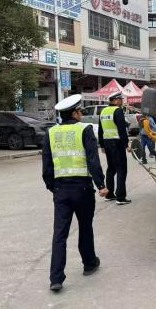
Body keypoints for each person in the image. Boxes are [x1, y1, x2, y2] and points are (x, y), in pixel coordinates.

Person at [42, 94, 108, 292]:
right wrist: (101, 185)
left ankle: (56, 278)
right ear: (74, 113)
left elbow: (47, 165)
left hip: (61, 190)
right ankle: (89, 264)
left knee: (59, 234)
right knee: (85, 227)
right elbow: (92, 160)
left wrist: (52, 186)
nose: (81, 114)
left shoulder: (51, 133)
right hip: (83, 189)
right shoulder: (84, 130)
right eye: (80, 111)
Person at [99, 92, 131, 205]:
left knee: (111, 169)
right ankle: (120, 197)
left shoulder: (103, 111)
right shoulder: (117, 111)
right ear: (115, 100)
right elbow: (121, 129)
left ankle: (109, 194)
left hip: (107, 144)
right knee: (121, 169)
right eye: (121, 99)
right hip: (117, 144)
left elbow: (100, 130)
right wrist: (126, 144)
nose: (122, 101)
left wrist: (102, 145)